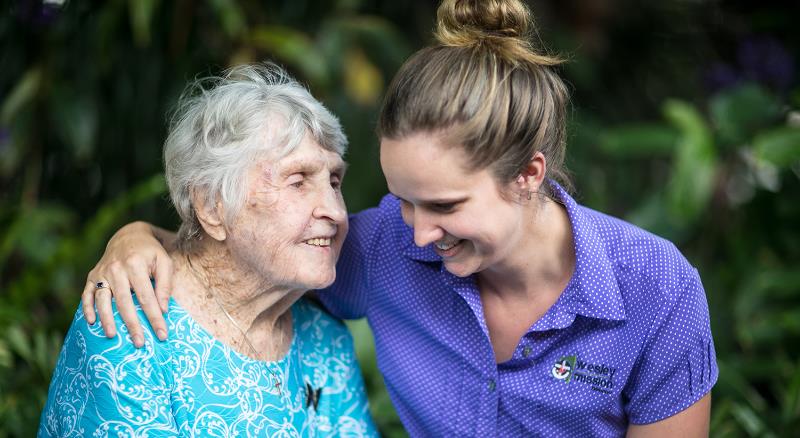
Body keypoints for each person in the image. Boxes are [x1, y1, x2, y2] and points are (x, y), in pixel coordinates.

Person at [79, 0, 718, 435]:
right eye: (402, 200)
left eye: (444, 205)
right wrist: (139, 236)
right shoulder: (387, 246)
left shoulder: (657, 290)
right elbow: (247, 249)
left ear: (529, 175)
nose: (417, 232)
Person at [39, 64, 377, 437]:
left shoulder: (325, 339)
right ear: (213, 207)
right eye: (298, 182)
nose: (335, 209)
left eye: (334, 181)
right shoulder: (128, 330)